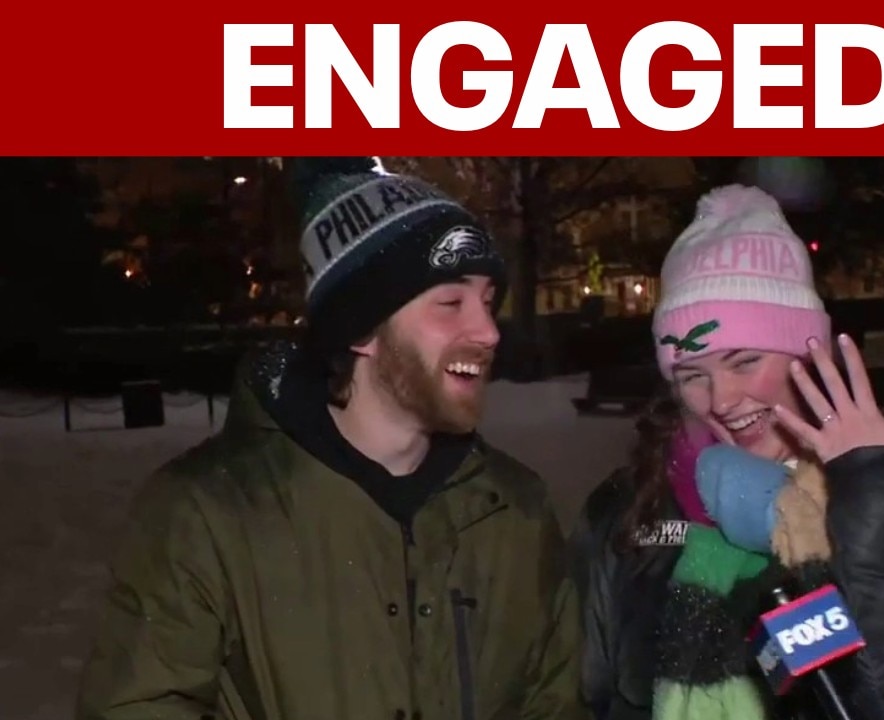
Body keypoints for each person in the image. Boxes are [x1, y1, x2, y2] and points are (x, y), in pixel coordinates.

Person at [77, 157, 586, 720]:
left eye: (488, 302)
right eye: (450, 303)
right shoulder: (204, 514)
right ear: (360, 329)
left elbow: (555, 704)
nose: (488, 331)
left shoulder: (517, 511)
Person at [570, 184, 884, 720]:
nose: (722, 400)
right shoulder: (625, 509)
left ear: (806, 355)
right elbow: (592, 690)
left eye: (745, 362)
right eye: (692, 375)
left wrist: (872, 503)